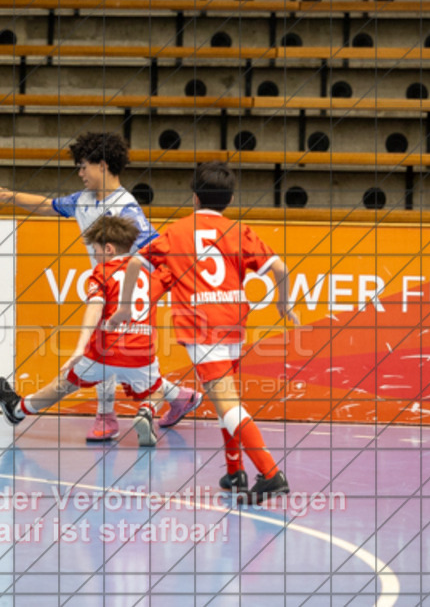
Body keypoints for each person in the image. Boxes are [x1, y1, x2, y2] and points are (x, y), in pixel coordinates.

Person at [0, 132, 200, 441]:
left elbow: (158, 251)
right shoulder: (82, 202)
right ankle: (177, 399)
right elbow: (47, 205)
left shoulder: (127, 209)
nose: (80, 173)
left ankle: (107, 418)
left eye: (83, 166)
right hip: (107, 289)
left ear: (102, 166)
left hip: (126, 297)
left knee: (100, 354)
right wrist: (6, 194)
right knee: (120, 362)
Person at [106, 162, 299, 502]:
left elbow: (135, 262)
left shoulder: (176, 232)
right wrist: (284, 304)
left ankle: (270, 474)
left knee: (227, 403)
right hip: (234, 323)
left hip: (200, 327)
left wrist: (124, 307)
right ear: (231, 198)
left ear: (193, 198)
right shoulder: (240, 230)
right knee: (227, 398)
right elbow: (280, 268)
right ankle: (234, 470)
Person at [0, 215, 190, 447]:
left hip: (104, 351)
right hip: (141, 351)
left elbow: (95, 308)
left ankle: (18, 409)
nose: (95, 255)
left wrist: (79, 348)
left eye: (95, 249)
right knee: (156, 389)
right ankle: (146, 412)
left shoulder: (102, 272)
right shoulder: (153, 275)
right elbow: (182, 275)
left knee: (65, 384)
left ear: (108, 248)